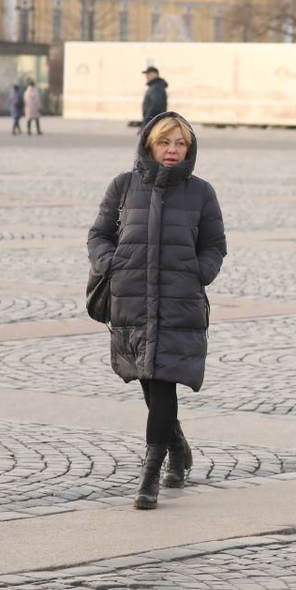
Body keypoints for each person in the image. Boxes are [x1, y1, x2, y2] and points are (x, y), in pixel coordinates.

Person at [87, 111, 227, 510]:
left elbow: (215, 245)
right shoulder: (124, 186)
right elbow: (98, 234)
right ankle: (178, 447)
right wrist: (112, 264)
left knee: (163, 382)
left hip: (178, 301)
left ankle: (150, 475)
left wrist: (200, 271)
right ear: (150, 144)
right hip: (131, 299)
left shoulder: (201, 193)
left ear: (189, 149)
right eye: (165, 142)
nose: (172, 150)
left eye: (180, 144)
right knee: (150, 381)